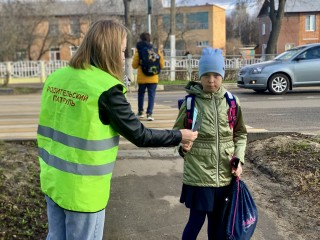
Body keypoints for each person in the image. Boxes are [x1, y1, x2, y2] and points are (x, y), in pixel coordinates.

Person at [37, 19, 198, 240]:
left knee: (55, 236)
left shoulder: (56, 79)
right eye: (122, 51)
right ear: (110, 51)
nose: (123, 57)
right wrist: (180, 135)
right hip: (83, 192)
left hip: (53, 181)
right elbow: (140, 135)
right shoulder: (107, 90)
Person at [173, 47, 248, 240]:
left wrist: (238, 159)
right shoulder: (191, 104)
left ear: (223, 74)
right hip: (198, 175)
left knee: (217, 225)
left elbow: (240, 134)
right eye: (206, 75)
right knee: (195, 221)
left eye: (216, 75)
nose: (211, 80)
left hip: (224, 175)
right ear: (200, 76)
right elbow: (175, 135)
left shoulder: (231, 102)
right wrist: (182, 147)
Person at [132, 32, 164, 121]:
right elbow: (162, 64)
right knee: (151, 95)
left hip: (142, 78)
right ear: (150, 39)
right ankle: (149, 114)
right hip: (153, 77)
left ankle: (140, 112)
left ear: (141, 39)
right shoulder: (156, 50)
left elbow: (134, 65)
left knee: (141, 94)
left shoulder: (139, 51)